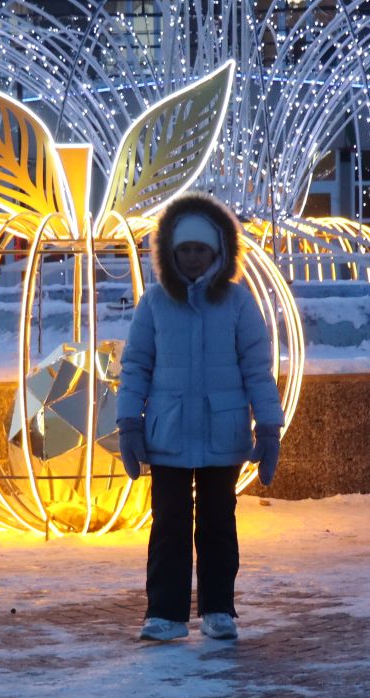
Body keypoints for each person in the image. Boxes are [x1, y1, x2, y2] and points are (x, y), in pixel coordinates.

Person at [114, 192, 285, 644]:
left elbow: (256, 367)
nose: (192, 258)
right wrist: (129, 421)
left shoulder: (237, 302)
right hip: (168, 433)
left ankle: (218, 608)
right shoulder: (154, 303)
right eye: (184, 250)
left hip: (221, 433)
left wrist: (268, 426)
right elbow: (135, 367)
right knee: (168, 523)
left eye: (200, 250)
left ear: (217, 253)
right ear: (171, 253)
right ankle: (165, 612)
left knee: (217, 524)